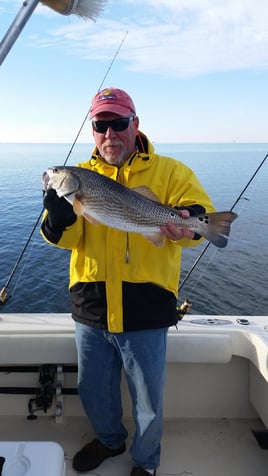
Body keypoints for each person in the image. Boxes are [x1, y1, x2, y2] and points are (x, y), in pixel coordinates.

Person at [41, 87, 215, 476]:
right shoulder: (80, 179)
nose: (110, 134)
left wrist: (194, 223)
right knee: (94, 391)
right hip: (91, 306)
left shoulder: (171, 172)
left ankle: (146, 461)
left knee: (148, 400)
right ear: (93, 130)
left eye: (119, 123)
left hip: (146, 309)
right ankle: (108, 440)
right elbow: (62, 240)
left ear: (135, 124)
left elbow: (199, 214)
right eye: (101, 125)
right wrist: (59, 216)